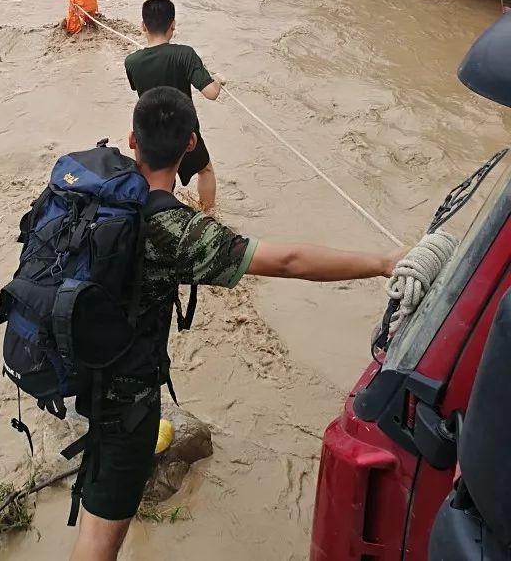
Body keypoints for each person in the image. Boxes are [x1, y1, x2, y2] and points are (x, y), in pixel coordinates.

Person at [68, 86, 404, 561]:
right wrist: (384, 262)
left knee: (98, 499)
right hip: (125, 400)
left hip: (76, 362)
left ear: (131, 140)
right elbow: (286, 261)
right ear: (191, 144)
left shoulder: (94, 182)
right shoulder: (176, 232)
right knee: (101, 537)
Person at [124, 0, 223, 213]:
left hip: (147, 129)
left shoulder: (131, 62)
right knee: (205, 170)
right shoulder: (184, 54)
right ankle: (208, 215)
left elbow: (138, 88)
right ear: (173, 25)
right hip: (181, 128)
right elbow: (211, 93)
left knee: (153, 179)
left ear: (143, 26)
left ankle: (156, 215)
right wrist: (219, 80)